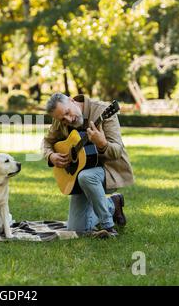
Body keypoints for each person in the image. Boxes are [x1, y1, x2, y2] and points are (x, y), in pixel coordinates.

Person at [41, 93, 134, 238]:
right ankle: (112, 204)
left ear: (71, 100)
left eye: (67, 113)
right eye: (62, 119)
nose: (68, 119)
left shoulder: (103, 111)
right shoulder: (60, 120)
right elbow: (46, 142)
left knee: (86, 176)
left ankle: (108, 226)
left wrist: (102, 144)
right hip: (78, 173)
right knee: (76, 228)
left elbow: (117, 151)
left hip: (107, 170)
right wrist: (51, 156)